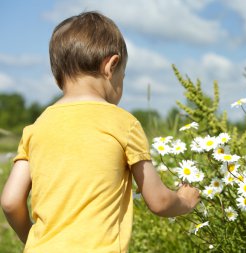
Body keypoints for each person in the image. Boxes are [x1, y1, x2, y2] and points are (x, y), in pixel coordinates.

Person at [0, 11, 200, 252]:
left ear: (57, 78)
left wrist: (31, 239)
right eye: (122, 77)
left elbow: (10, 201)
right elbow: (158, 201)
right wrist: (185, 200)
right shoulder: (123, 123)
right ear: (111, 65)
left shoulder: (37, 126)